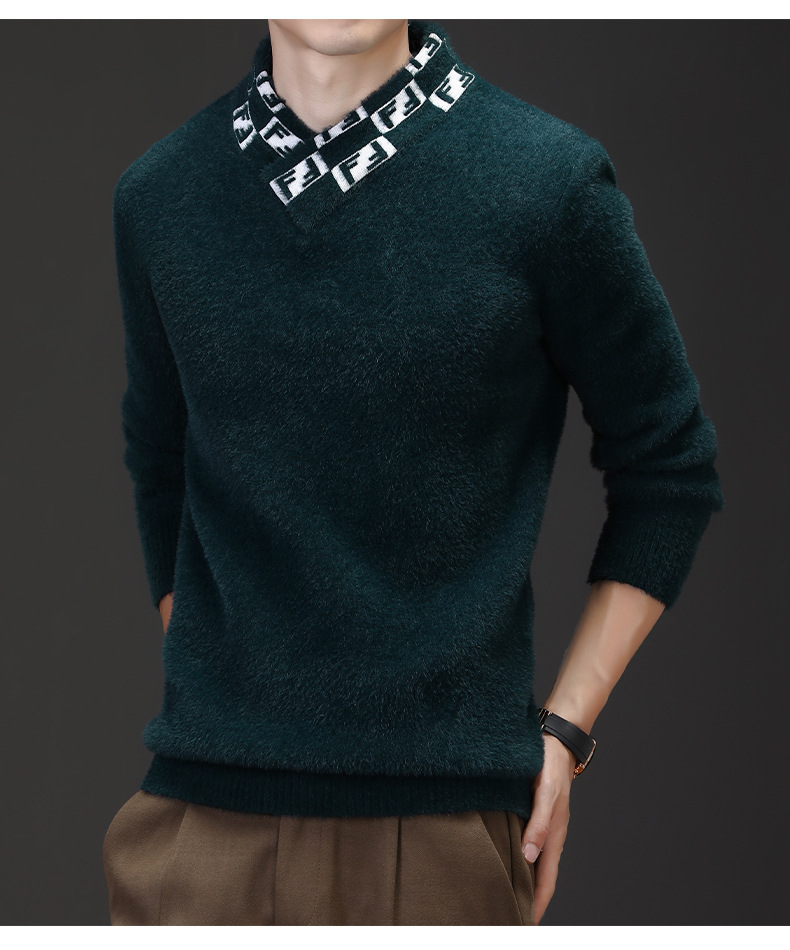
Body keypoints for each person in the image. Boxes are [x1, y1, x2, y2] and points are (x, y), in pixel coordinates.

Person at [102, 18, 724, 926]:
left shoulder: (545, 181)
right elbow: (160, 462)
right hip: (198, 831)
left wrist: (564, 732)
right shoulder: (160, 195)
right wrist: (227, 688)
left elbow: (670, 466)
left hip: (440, 836)